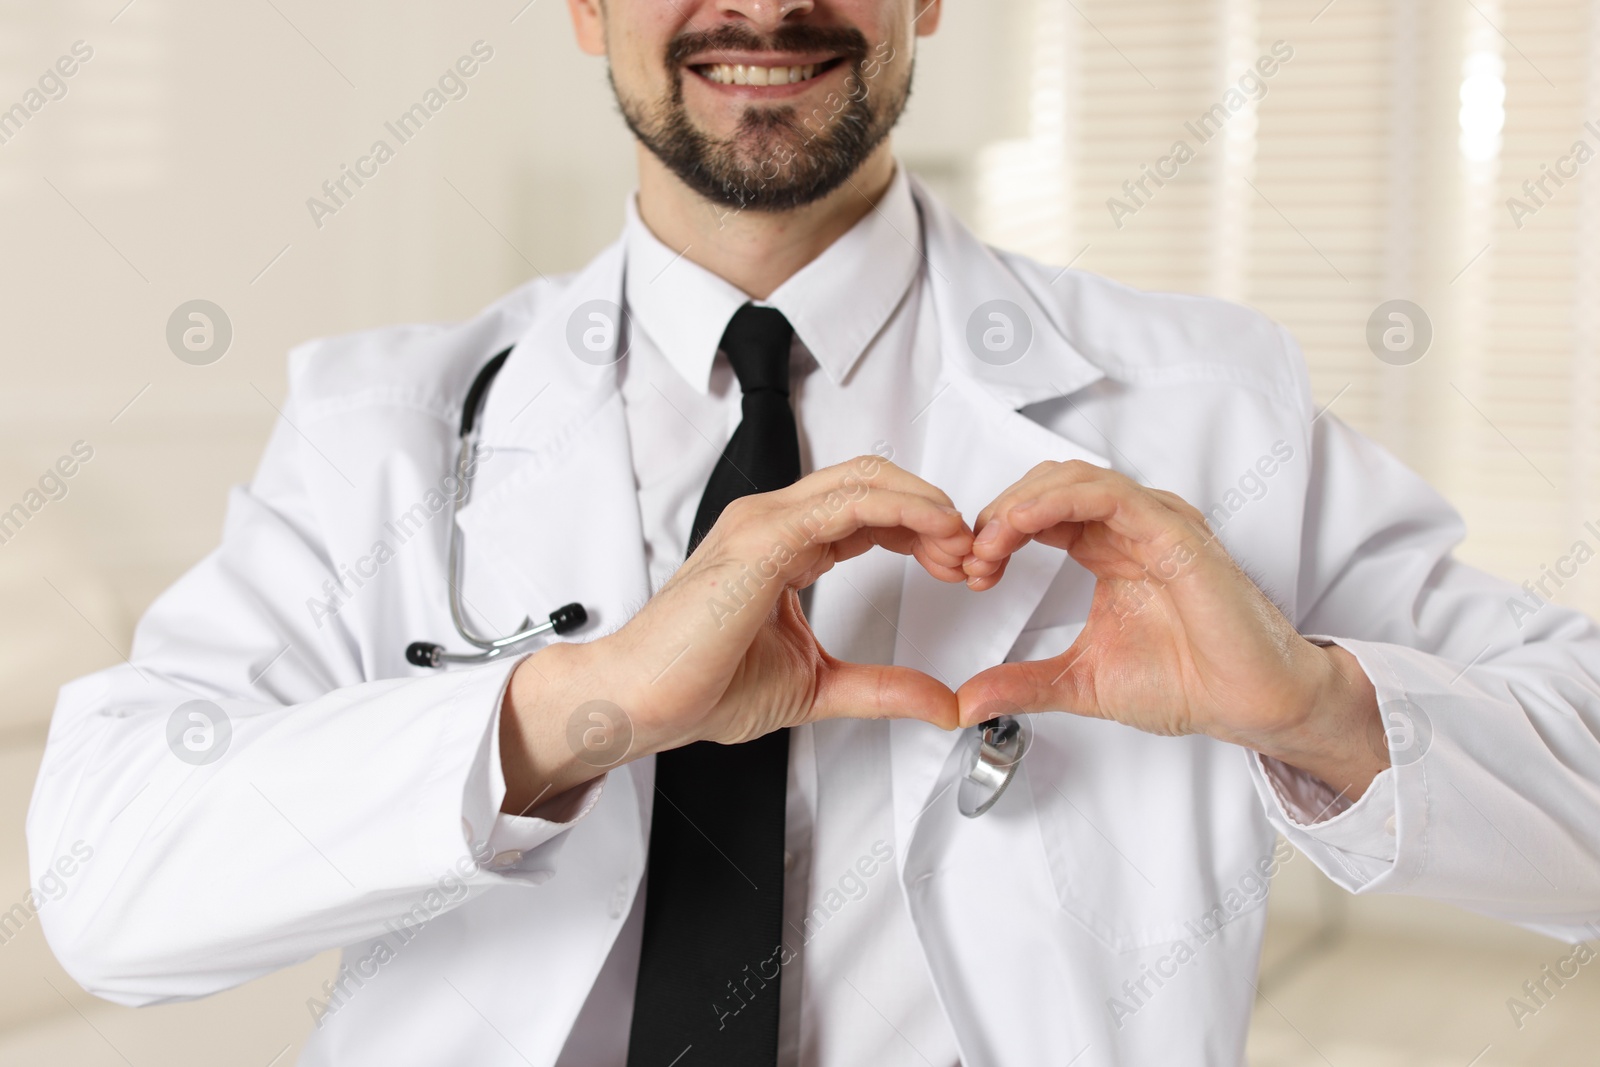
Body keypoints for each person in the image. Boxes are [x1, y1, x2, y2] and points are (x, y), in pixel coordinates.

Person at [27, 0, 1600, 1063]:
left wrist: (1319, 710)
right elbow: (105, 882)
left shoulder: (1204, 411)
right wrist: (577, 710)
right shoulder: (386, 423)